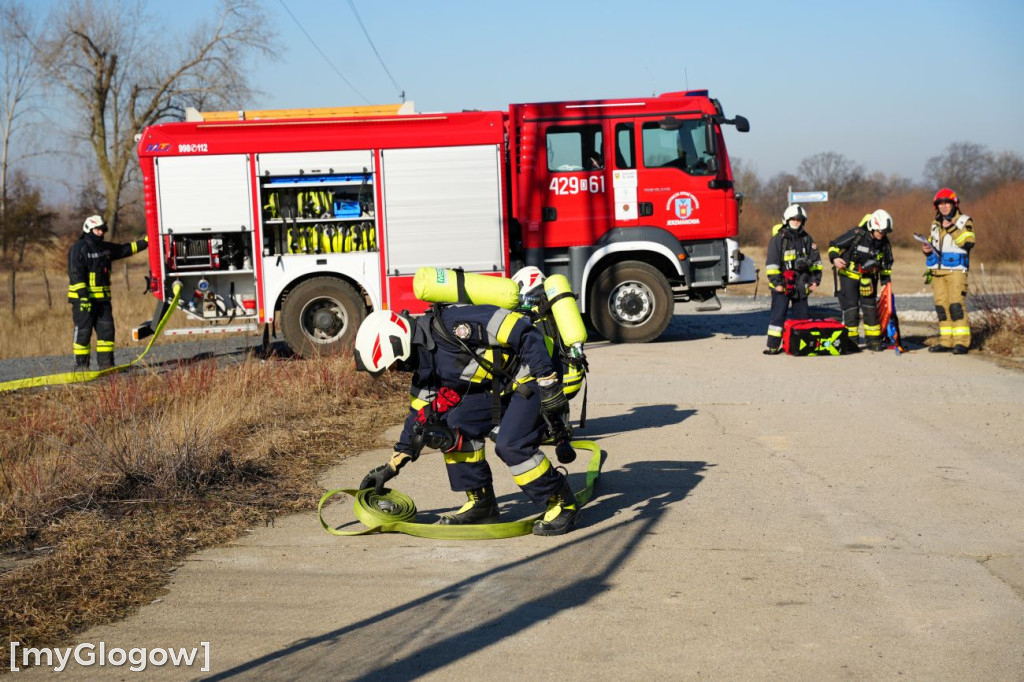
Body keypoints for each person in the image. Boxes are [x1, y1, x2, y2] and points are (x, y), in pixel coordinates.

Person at [353, 301, 579, 537]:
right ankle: (482, 505)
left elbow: (523, 331)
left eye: (392, 365)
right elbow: (419, 418)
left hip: (534, 374)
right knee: (451, 426)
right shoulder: (424, 363)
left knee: (511, 444)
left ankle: (563, 502)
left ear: (397, 344)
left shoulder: (454, 325)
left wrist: (547, 380)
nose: (393, 371)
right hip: (499, 386)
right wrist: (392, 466)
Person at [67, 215, 148, 369]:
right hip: (83, 301)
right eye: (97, 230)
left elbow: (125, 249)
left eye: (103, 230)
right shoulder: (79, 248)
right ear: (88, 229)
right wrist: (83, 298)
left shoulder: (105, 248)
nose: (101, 233)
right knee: (83, 333)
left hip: (103, 301)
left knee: (107, 333)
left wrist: (146, 242)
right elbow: (75, 274)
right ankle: (81, 368)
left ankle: (106, 366)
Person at [827, 210, 894, 352]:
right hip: (849, 276)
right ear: (872, 227)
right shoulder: (857, 234)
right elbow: (834, 245)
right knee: (851, 309)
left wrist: (885, 284)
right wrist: (835, 258)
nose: (881, 234)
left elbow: (886, 266)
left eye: (884, 232)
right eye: (880, 231)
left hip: (868, 279)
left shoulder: (884, 244)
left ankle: (873, 341)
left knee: (870, 309)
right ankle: (851, 342)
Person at [762, 204, 823, 355]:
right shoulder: (778, 239)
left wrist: (815, 280)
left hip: (802, 285)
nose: (796, 222)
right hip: (782, 285)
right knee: (777, 317)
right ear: (787, 220)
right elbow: (772, 265)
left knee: (802, 318)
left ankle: (801, 346)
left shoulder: (807, 239)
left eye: (799, 219)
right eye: (793, 219)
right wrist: (777, 283)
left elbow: (816, 262)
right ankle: (773, 346)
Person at [921, 188, 975, 354]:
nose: (943, 206)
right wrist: (927, 249)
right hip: (937, 271)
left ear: (954, 204)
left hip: (956, 271)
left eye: (947, 203)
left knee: (956, 306)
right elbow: (934, 243)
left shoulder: (964, 221)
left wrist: (951, 228)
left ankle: (961, 343)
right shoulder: (935, 223)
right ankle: (946, 341)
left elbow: (968, 242)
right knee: (941, 307)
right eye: (940, 204)